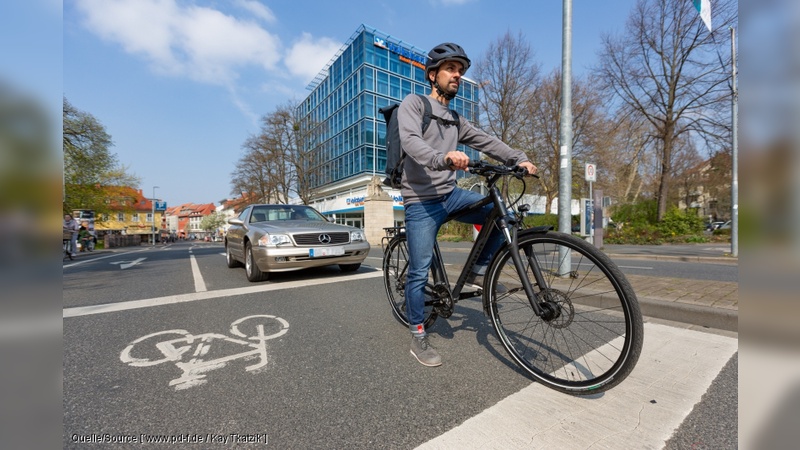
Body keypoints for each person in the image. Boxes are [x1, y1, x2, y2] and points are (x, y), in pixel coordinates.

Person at [398, 42, 538, 367]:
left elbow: (487, 141)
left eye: (460, 71)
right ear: (433, 75)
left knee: (497, 211)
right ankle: (418, 333)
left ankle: (477, 271)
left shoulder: (456, 119)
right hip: (421, 201)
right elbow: (411, 141)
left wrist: (519, 159)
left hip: (450, 195)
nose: (457, 75)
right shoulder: (414, 104)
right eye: (450, 69)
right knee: (419, 272)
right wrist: (442, 157)